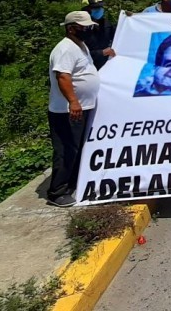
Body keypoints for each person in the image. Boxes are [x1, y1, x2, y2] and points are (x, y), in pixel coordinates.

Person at [47, 11, 100, 207]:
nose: (88, 30)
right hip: (67, 110)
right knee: (66, 149)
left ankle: (71, 184)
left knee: (76, 147)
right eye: (84, 27)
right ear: (71, 28)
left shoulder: (81, 45)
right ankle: (57, 192)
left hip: (81, 107)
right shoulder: (65, 49)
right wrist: (73, 101)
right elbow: (63, 77)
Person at [81, 0, 116, 70]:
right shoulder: (81, 28)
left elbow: (118, 35)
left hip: (108, 66)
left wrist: (127, 21)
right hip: (90, 69)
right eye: (95, 8)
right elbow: (80, 54)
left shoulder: (106, 23)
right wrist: (101, 52)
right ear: (86, 10)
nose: (100, 10)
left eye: (101, 7)